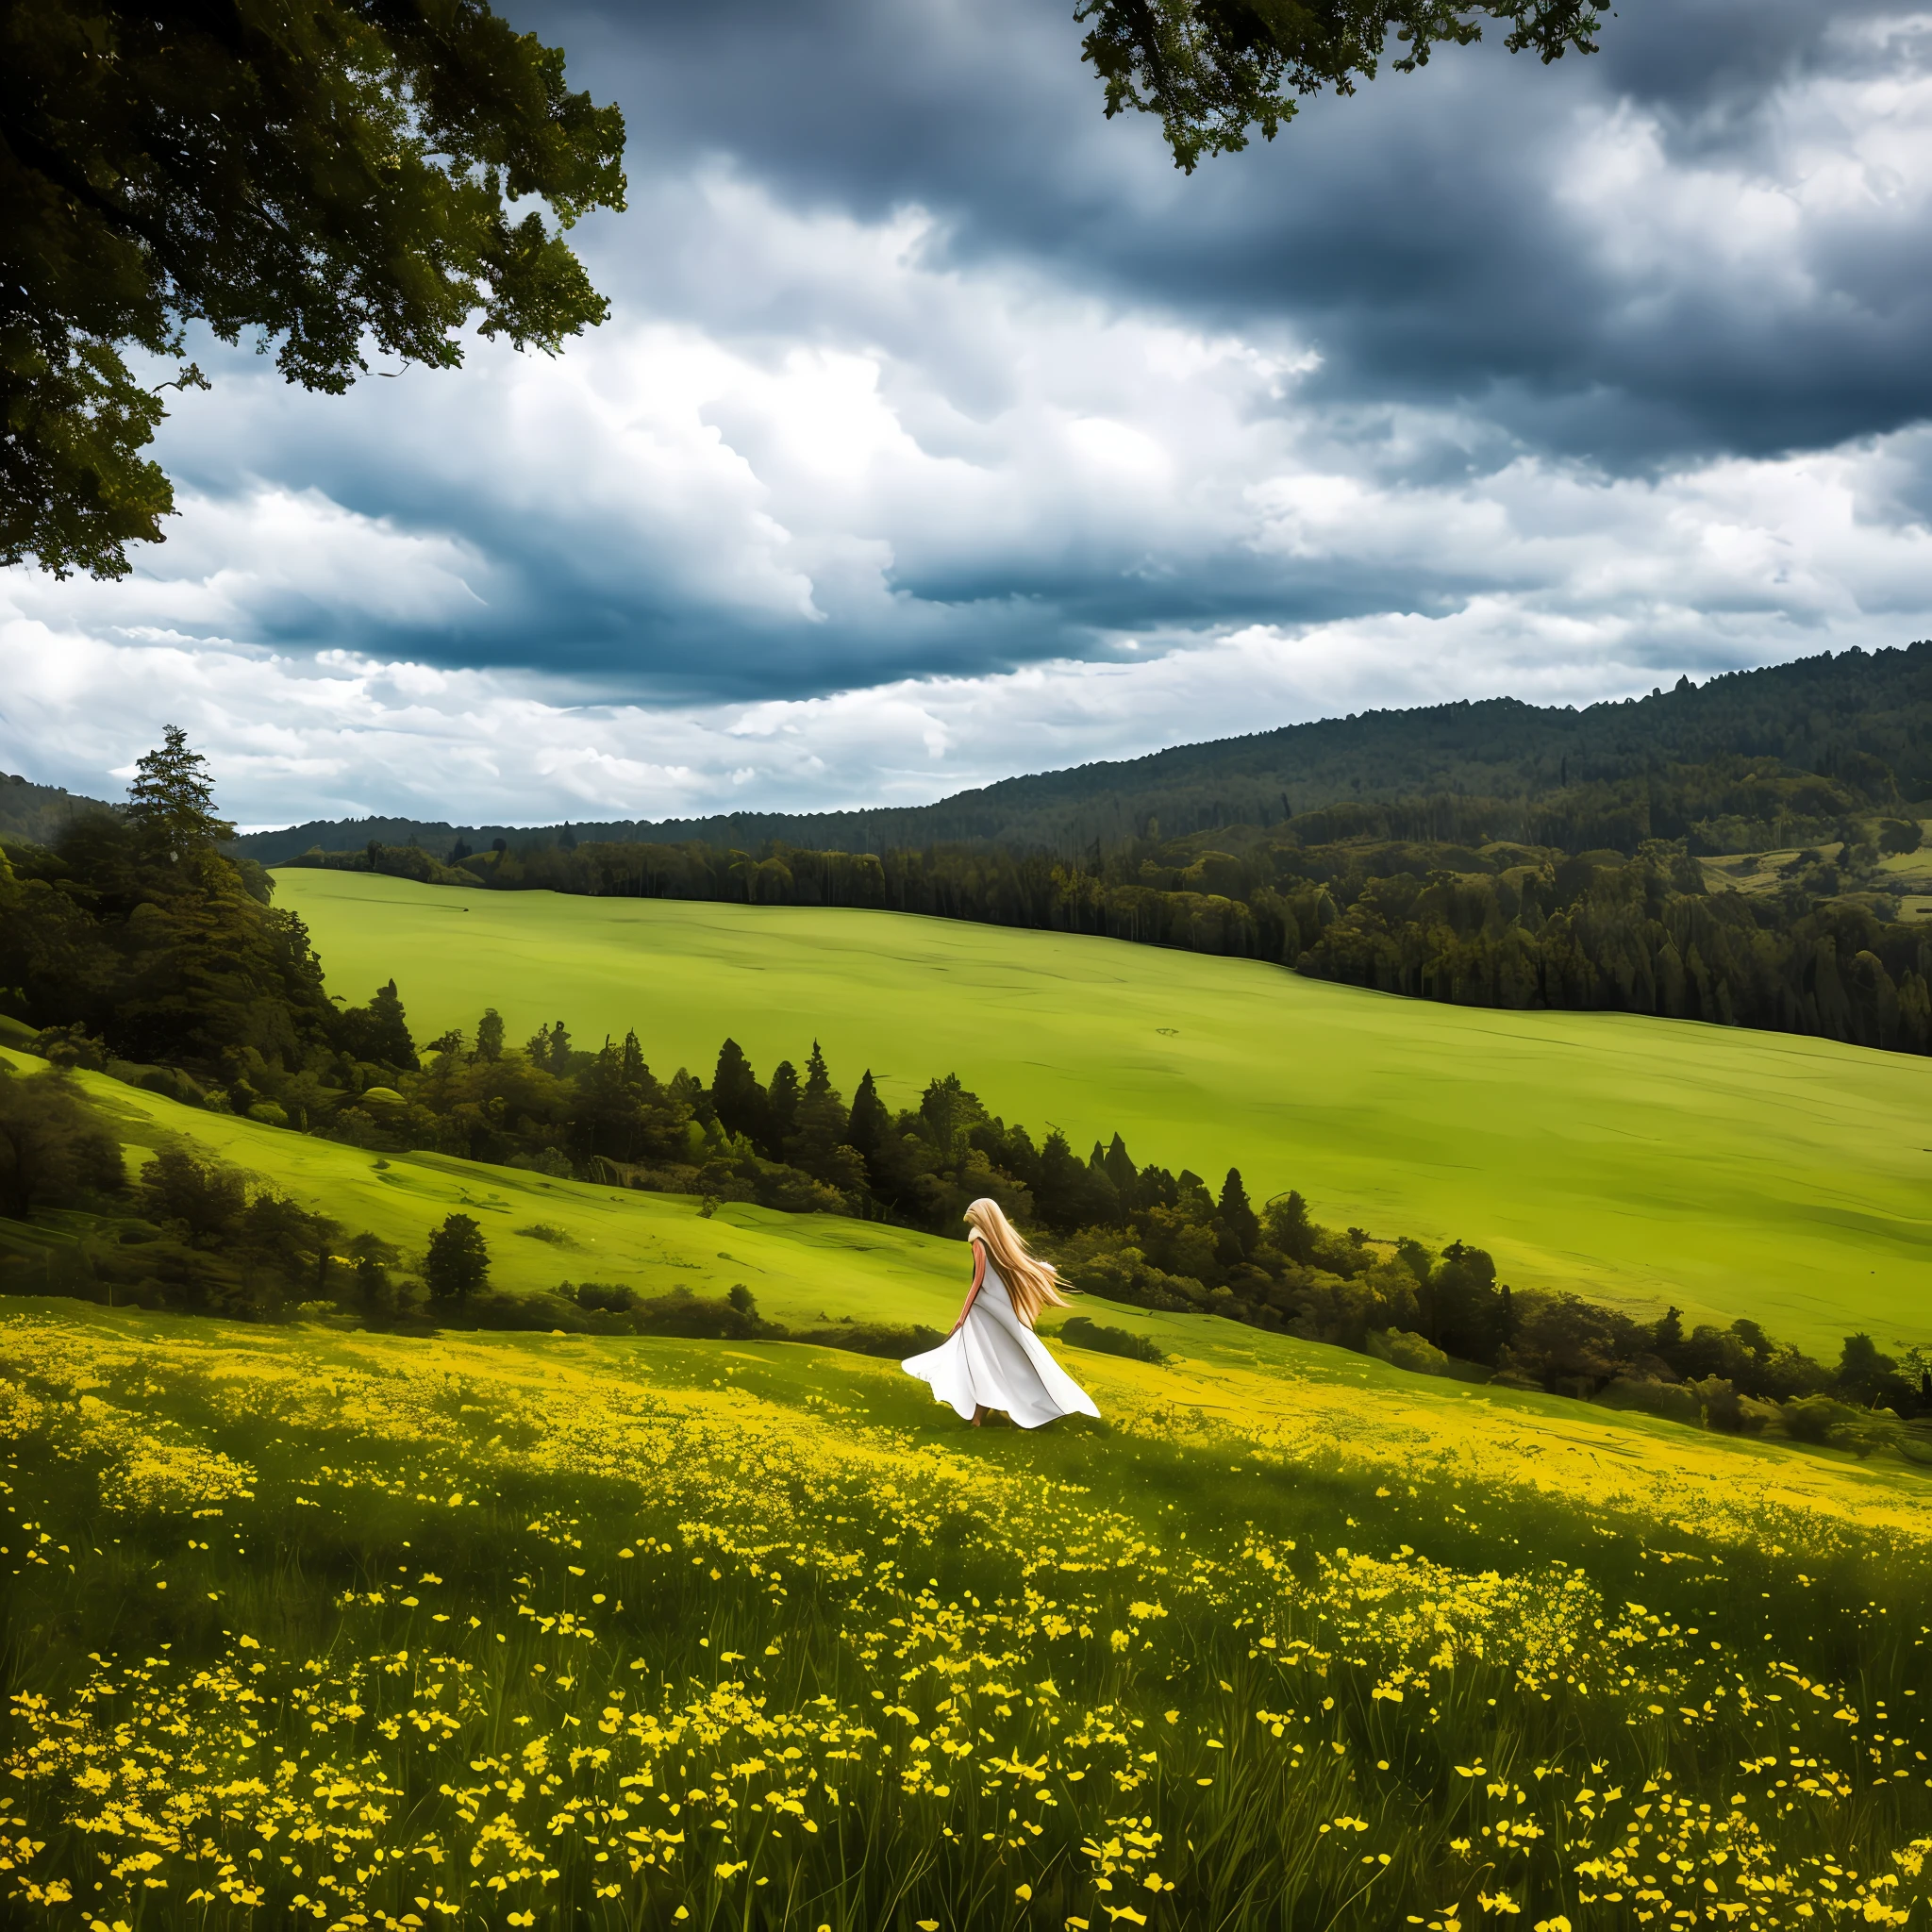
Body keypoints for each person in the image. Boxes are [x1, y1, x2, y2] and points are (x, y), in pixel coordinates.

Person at [901, 1197, 1100, 1427]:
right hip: (996, 1308)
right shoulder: (993, 1242)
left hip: (984, 1309)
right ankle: (988, 1416)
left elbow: (978, 1281)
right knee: (995, 1361)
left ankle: (984, 1417)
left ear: (979, 1218)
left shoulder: (978, 1241)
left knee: (982, 1362)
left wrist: (962, 1316)